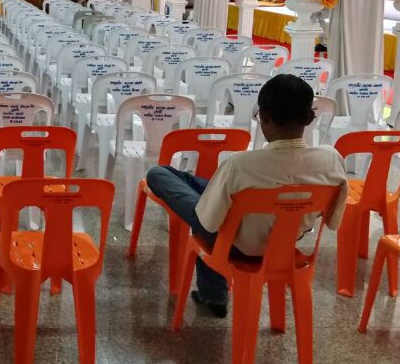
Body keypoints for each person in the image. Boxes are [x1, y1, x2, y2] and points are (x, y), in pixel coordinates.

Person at [144, 74, 348, 318]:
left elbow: (208, 223)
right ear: (309, 118)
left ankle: (215, 294)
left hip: (238, 246)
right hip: (286, 244)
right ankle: (213, 293)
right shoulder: (331, 159)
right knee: (215, 191)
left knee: (160, 175)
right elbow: (333, 221)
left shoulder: (241, 164)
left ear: (263, 117)